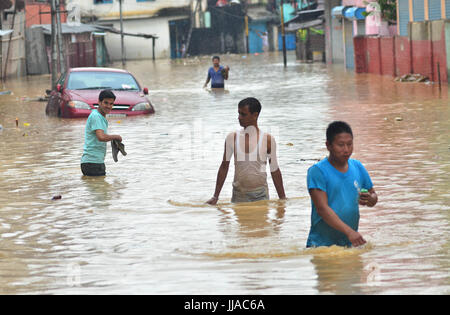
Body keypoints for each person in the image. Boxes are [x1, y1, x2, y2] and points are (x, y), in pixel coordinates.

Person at [306, 121, 378, 248]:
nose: (346, 150)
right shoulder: (317, 171)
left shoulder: (357, 166)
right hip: (322, 246)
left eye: (349, 144)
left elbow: (373, 196)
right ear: (328, 145)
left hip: (350, 243)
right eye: (341, 145)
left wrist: (370, 199)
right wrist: (350, 232)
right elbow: (322, 209)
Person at [206, 97, 286, 205]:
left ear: (255, 115)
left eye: (243, 114)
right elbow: (224, 167)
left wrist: (282, 199)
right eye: (238, 113)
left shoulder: (267, 139)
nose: (239, 117)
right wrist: (215, 196)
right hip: (239, 194)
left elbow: (274, 170)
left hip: (260, 194)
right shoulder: (232, 138)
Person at [80, 89, 122, 176]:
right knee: (101, 189)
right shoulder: (96, 116)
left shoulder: (99, 116)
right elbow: (101, 137)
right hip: (92, 163)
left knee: (101, 188)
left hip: (94, 162)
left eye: (111, 104)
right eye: (106, 103)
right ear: (99, 102)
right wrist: (116, 137)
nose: (109, 106)